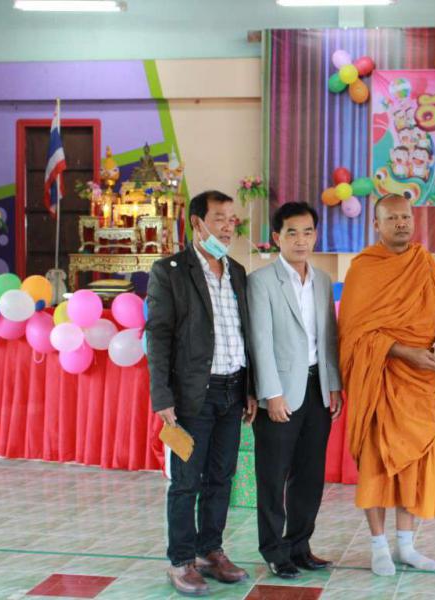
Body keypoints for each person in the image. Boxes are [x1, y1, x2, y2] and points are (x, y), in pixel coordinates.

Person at [146, 190, 257, 596]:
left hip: (233, 390)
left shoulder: (237, 271)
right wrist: (162, 397)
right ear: (197, 223)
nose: (228, 227)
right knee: (186, 481)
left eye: (231, 219)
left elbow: (246, 334)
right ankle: (181, 560)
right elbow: (158, 336)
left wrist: (250, 388)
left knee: (221, 477)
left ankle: (211, 550)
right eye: (219, 218)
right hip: (193, 395)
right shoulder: (170, 271)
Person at [338, 193, 435, 577]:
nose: (401, 223)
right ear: (376, 224)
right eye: (392, 218)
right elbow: (353, 334)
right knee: (376, 461)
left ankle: (406, 545)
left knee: (413, 461)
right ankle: (378, 547)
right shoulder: (363, 269)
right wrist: (402, 351)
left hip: (419, 382)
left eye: (406, 217)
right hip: (379, 378)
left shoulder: (425, 261)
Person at [247, 202, 343, 580]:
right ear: (277, 237)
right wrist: (271, 394)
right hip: (281, 393)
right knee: (273, 477)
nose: (301, 240)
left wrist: (333, 385)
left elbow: (328, 337)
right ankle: (274, 550)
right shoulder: (261, 281)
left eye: (307, 232)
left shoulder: (322, 280)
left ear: (315, 236)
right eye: (292, 232)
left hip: (317, 389)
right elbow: (260, 341)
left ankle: (300, 546)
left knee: (309, 475)